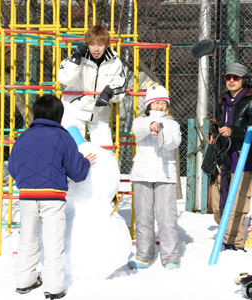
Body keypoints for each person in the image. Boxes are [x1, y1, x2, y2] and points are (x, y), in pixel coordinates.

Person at [8, 95, 96, 299]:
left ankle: (24, 280)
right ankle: (54, 287)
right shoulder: (63, 137)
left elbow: (12, 167)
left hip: (27, 195)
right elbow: (77, 173)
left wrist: (27, 182)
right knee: (53, 240)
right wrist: (84, 161)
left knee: (28, 238)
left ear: (36, 112)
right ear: (59, 115)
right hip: (53, 196)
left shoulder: (23, 137)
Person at [127, 82, 181, 270]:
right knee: (144, 217)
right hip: (142, 174)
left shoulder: (172, 123)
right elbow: (137, 132)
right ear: (148, 104)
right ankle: (143, 255)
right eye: (156, 103)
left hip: (165, 176)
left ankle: (170, 257)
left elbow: (174, 143)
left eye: (163, 103)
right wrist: (151, 126)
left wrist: (163, 134)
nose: (159, 106)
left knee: (167, 217)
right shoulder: (139, 120)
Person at [210, 62, 252, 251]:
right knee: (218, 202)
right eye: (228, 77)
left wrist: (234, 131)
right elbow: (219, 122)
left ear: (243, 79)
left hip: (242, 156)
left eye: (236, 77)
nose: (231, 81)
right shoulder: (223, 99)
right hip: (223, 156)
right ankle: (227, 233)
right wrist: (214, 131)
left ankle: (234, 241)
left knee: (237, 202)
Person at [58, 24, 127, 147]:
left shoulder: (115, 61)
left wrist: (109, 92)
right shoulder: (78, 57)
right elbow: (65, 80)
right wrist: (76, 58)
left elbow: (121, 84)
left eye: (100, 45)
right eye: (92, 44)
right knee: (71, 147)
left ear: (106, 45)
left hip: (99, 112)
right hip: (74, 109)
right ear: (87, 44)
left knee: (105, 150)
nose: (96, 49)